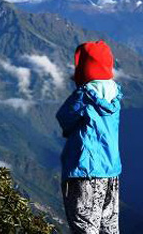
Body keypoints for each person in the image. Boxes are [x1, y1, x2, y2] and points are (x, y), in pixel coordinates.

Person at [57, 40, 122, 234]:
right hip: (111, 172)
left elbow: (64, 117)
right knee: (109, 227)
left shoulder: (84, 96)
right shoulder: (115, 94)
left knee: (84, 227)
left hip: (85, 171)